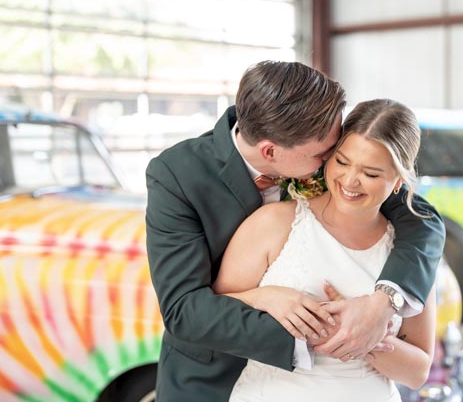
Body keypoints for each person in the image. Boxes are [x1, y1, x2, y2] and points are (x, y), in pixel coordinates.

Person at [146, 61, 445, 401]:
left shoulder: (327, 163)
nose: (336, 165)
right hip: (210, 376)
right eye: (328, 155)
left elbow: (421, 220)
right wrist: (334, 329)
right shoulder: (177, 175)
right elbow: (183, 311)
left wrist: (382, 304)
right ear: (270, 151)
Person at [214, 99, 438, 401]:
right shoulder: (275, 223)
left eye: (371, 174)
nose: (349, 181)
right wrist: (265, 298)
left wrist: (365, 336)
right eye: (342, 162)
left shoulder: (407, 255)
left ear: (398, 180)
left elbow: (417, 372)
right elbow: (213, 311)